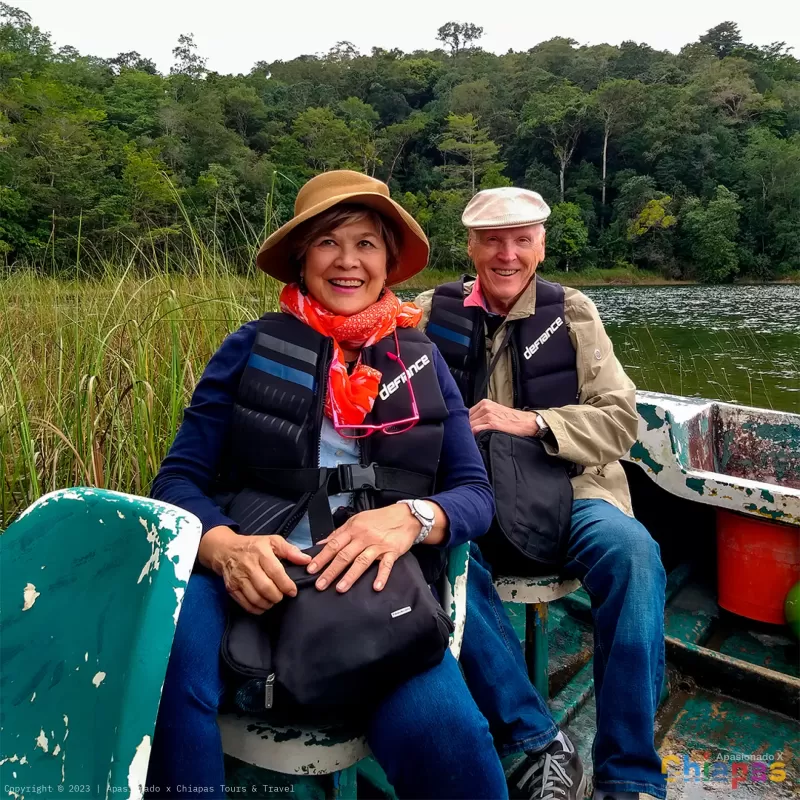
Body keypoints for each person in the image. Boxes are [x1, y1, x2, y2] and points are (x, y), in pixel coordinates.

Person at [145, 171, 509, 799]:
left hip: (372, 584)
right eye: (327, 242)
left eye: (366, 243)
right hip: (249, 568)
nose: (348, 262)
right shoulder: (248, 346)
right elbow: (178, 479)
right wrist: (223, 547)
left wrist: (412, 518)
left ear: (388, 262)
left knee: (450, 737)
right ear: (301, 257)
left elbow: (475, 493)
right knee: (167, 673)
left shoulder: (421, 358)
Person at [415, 187, 667, 800]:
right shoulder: (424, 313)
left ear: (542, 244)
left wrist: (529, 422)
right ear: (470, 246)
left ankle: (628, 772)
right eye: (493, 241)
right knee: (438, 560)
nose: (508, 255)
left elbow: (619, 420)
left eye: (522, 239)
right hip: (470, 494)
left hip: (572, 488)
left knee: (633, 556)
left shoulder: (573, 311)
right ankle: (534, 741)